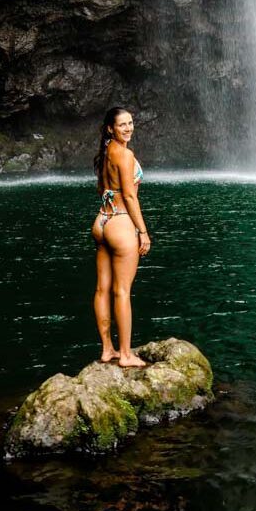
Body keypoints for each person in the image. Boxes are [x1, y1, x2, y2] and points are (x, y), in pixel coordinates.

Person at [91, 106, 152, 368]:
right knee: (122, 291)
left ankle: (107, 349)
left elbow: (103, 189)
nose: (128, 128)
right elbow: (129, 195)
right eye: (122, 124)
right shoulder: (125, 155)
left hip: (102, 220)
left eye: (131, 123)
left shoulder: (106, 153)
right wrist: (143, 231)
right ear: (110, 128)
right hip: (121, 222)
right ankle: (125, 355)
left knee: (102, 288)